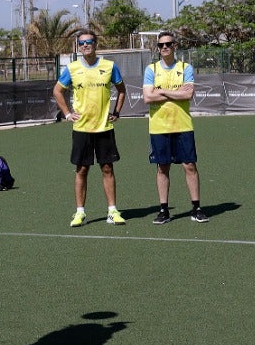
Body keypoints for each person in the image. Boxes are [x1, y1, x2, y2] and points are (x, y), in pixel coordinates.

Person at [53, 29, 127, 227]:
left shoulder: (110, 66)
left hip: (104, 127)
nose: (85, 45)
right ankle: (79, 213)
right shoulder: (72, 68)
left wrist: (117, 112)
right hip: (82, 128)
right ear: (78, 46)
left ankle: (112, 211)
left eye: (89, 42)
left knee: (107, 168)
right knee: (82, 169)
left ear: (96, 44)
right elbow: (58, 91)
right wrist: (68, 113)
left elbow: (121, 90)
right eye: (82, 43)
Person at [142, 31, 208, 224]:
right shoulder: (151, 69)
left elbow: (188, 95)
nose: (165, 48)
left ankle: (196, 208)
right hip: (159, 127)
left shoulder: (185, 67)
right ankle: (164, 210)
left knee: (190, 166)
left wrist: (160, 90)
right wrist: (174, 92)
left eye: (168, 44)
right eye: (161, 45)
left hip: (182, 125)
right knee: (162, 167)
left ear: (175, 46)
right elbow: (147, 97)